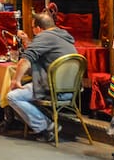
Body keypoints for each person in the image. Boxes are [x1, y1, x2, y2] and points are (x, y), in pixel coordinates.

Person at [6, 11, 78, 142]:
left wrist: (15, 80)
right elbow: (40, 50)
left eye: (33, 28)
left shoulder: (45, 36)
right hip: (70, 90)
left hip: (53, 90)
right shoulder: (63, 36)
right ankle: (45, 122)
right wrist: (27, 41)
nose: (33, 31)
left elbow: (25, 60)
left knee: (13, 96)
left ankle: (47, 127)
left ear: (39, 28)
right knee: (26, 89)